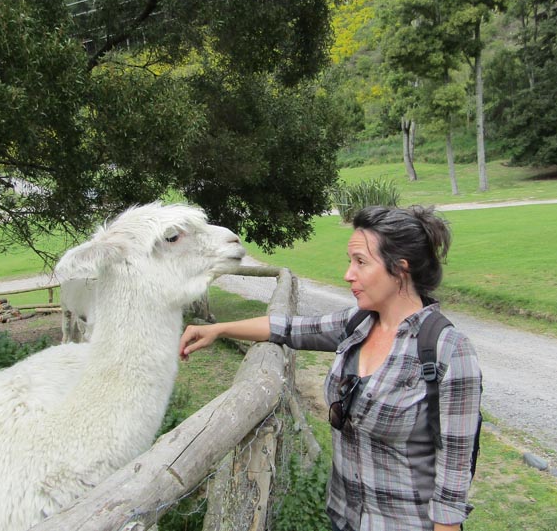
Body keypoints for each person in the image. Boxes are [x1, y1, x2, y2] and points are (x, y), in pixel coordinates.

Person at [179, 205, 482, 531]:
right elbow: (288, 328)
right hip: (342, 518)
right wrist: (218, 329)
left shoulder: (448, 351)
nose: (348, 274)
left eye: (361, 262)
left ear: (400, 270)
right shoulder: (358, 324)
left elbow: (454, 475)